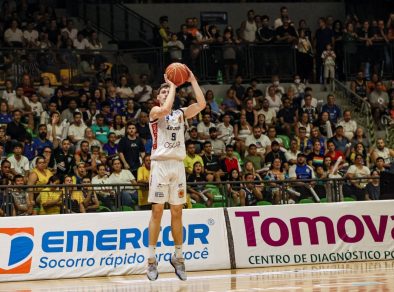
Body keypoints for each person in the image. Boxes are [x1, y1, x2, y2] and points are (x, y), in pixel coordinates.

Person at [147, 67, 206, 281]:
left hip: (177, 166)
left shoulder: (181, 114)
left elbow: (201, 104)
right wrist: (171, 83)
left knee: (177, 213)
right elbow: (165, 109)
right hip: (160, 166)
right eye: (162, 92)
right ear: (157, 96)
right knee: (157, 212)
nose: (165, 93)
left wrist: (191, 79)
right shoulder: (155, 111)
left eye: (167, 91)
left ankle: (178, 257)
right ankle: (151, 260)